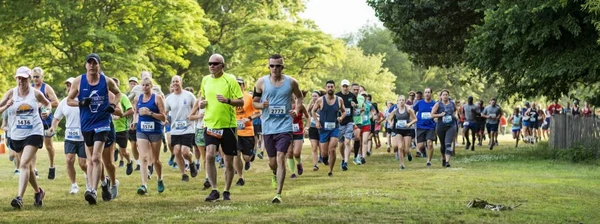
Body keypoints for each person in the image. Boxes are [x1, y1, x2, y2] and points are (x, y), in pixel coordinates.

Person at [66, 53, 123, 204]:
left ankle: (92, 190)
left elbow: (118, 93)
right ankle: (103, 185)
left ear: (99, 65)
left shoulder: (106, 80)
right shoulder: (79, 81)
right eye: (89, 63)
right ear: (86, 65)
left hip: (102, 123)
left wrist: (112, 105)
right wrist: (80, 103)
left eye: (95, 63)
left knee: (96, 157)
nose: (92, 65)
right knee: (90, 159)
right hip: (86, 124)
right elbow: (68, 100)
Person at [253, 54, 304, 203]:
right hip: (268, 127)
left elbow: (300, 97)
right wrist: (261, 105)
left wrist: (297, 110)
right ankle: (274, 173)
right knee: (272, 162)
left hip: (285, 126)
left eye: (278, 66)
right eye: (272, 66)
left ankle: (278, 194)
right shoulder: (261, 82)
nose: (275, 68)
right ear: (269, 67)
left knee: (281, 157)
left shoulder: (291, 82)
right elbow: (254, 102)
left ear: (283, 67)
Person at [0, 66, 51, 209]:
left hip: (34, 132)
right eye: (19, 78)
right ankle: (38, 192)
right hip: (16, 134)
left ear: (29, 79)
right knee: (26, 166)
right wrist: (6, 106)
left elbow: (48, 104)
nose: (21, 81)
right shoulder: (11, 93)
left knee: (23, 164)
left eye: (24, 78)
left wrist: (46, 111)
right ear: (16, 79)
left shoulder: (35, 93)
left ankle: (19, 198)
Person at [199, 54, 244, 202]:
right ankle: (214, 189)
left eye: (215, 63)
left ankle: (226, 190)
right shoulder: (205, 79)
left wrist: (228, 101)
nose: (211, 66)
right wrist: (201, 104)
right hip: (210, 124)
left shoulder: (230, 79)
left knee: (228, 162)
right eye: (209, 63)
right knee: (210, 155)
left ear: (222, 66)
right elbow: (202, 98)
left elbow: (241, 101)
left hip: (228, 126)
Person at [49, 77, 88, 194]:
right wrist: (52, 127)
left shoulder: (83, 101)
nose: (69, 88)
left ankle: (88, 176)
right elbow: (56, 118)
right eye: (67, 86)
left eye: (71, 85)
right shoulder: (64, 102)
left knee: (83, 163)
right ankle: (74, 185)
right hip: (70, 137)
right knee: (69, 160)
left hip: (83, 137)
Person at [131, 77, 167, 194]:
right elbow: (136, 112)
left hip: (155, 130)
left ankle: (160, 179)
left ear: (151, 86)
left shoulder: (157, 98)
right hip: (142, 130)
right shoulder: (138, 98)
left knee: (155, 160)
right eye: (143, 85)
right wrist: (135, 121)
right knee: (144, 158)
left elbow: (163, 117)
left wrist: (150, 113)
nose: (145, 87)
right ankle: (144, 185)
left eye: (147, 85)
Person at [165, 76, 198, 182]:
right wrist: (164, 119)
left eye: (177, 81)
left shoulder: (189, 95)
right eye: (173, 82)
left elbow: (196, 106)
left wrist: (195, 116)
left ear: (181, 82)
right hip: (175, 129)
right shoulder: (169, 98)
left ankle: (191, 163)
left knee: (184, 151)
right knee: (176, 151)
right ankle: (184, 174)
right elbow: (164, 112)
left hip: (188, 127)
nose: (175, 83)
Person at [312, 80, 346, 177]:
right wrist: (317, 122)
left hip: (334, 128)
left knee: (332, 149)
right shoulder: (320, 100)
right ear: (326, 88)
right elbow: (313, 112)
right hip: (323, 129)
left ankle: (330, 170)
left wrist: (341, 117)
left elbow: (344, 112)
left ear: (334, 87)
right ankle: (324, 159)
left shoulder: (339, 100)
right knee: (324, 153)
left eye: (332, 86)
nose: (330, 88)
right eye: (328, 87)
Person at [31, 67, 59, 180]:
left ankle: (52, 166)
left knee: (48, 146)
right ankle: (34, 169)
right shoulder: (30, 88)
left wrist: (43, 105)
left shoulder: (46, 87)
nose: (35, 79)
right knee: (32, 146)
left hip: (46, 120)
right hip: (33, 121)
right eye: (33, 77)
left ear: (42, 77)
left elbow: (56, 102)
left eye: (37, 77)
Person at [233, 78, 260, 186]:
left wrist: (248, 119)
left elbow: (258, 113)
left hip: (247, 131)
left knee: (246, 157)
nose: (238, 86)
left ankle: (251, 154)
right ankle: (240, 177)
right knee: (236, 154)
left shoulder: (249, 97)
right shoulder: (231, 98)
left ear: (243, 85)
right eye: (236, 84)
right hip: (235, 131)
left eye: (240, 84)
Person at [111, 78, 134, 174]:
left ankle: (129, 161)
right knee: (110, 149)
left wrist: (120, 115)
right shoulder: (107, 96)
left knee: (124, 152)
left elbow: (131, 110)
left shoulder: (123, 97)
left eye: (115, 85)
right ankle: (115, 150)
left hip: (122, 128)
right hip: (110, 127)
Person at [388, 95, 417, 169]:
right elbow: (389, 119)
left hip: (407, 130)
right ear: (397, 102)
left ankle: (408, 153)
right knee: (400, 147)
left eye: (403, 100)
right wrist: (391, 123)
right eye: (400, 100)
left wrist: (409, 124)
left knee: (406, 149)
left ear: (405, 101)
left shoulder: (408, 110)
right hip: (398, 130)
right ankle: (402, 164)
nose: (401, 101)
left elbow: (415, 119)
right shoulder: (395, 111)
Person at [431, 89, 458, 167]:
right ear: (441, 96)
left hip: (451, 126)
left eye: (446, 95)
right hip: (441, 126)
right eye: (443, 95)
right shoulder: (438, 104)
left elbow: (456, 111)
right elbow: (432, 115)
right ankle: (443, 159)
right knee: (443, 145)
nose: (445, 96)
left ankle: (447, 162)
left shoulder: (452, 104)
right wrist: (440, 115)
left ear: (448, 96)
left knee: (448, 144)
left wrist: (456, 115)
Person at [335, 79, 357, 171]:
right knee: (341, 144)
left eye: (346, 86)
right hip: (340, 122)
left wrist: (354, 105)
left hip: (349, 121)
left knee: (347, 142)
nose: (345, 88)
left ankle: (346, 162)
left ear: (349, 87)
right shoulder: (337, 96)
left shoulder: (352, 96)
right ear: (341, 87)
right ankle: (343, 158)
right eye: (343, 86)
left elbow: (356, 106)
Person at [287, 91, 309, 178]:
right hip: (287, 131)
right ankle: (292, 173)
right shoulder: (284, 105)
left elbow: (308, 117)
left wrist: (307, 127)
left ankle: (299, 163)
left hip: (298, 131)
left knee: (296, 153)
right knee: (289, 153)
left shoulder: (300, 105)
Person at [413, 88, 437, 166]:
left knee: (429, 144)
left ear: (431, 94)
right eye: (426, 92)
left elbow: (437, 113)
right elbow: (413, 110)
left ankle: (429, 161)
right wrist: (414, 119)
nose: (427, 94)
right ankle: (423, 151)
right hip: (420, 126)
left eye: (429, 92)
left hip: (430, 126)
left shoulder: (434, 104)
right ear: (424, 94)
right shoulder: (419, 103)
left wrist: (436, 118)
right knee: (420, 146)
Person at [307, 91, 322, 171]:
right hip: (312, 128)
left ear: (319, 96)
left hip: (321, 128)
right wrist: (310, 103)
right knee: (314, 147)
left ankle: (323, 157)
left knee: (322, 147)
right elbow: (305, 113)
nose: (314, 97)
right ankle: (315, 165)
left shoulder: (322, 104)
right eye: (313, 96)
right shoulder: (311, 106)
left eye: (316, 96)